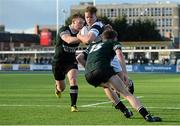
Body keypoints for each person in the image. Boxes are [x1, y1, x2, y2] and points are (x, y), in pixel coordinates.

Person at [82, 29, 162, 122]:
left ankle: (125, 111)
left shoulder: (92, 45)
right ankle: (147, 116)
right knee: (126, 94)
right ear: (115, 37)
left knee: (107, 87)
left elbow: (79, 58)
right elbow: (119, 54)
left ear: (103, 37)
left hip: (88, 75)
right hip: (103, 69)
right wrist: (125, 73)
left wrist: (90, 68)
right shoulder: (113, 42)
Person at [76, 5, 134, 95]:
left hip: (108, 54)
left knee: (122, 81)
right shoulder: (85, 28)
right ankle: (116, 96)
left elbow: (88, 40)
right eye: (87, 17)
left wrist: (79, 36)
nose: (89, 19)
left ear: (96, 17)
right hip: (97, 55)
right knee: (80, 58)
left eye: (91, 17)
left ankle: (129, 83)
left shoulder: (97, 25)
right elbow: (87, 42)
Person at [52, 13, 85, 112]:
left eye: (83, 23)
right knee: (62, 88)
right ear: (73, 22)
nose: (81, 25)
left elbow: (95, 29)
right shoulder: (64, 30)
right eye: (79, 23)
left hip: (71, 61)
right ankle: (57, 88)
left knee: (73, 79)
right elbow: (68, 40)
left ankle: (73, 105)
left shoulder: (81, 32)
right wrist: (84, 38)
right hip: (58, 62)